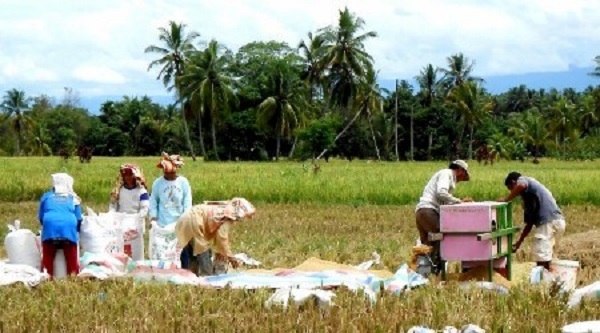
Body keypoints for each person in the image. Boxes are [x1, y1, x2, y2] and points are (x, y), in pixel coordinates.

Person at [497, 172, 566, 270]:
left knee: (541, 256)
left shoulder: (522, 179)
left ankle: (542, 282)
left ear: (513, 182)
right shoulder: (530, 197)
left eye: (511, 189)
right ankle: (549, 280)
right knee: (548, 256)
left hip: (548, 223)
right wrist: (519, 242)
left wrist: (506, 199)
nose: (513, 192)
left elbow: (521, 185)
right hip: (558, 221)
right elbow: (529, 224)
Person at [414, 160, 472, 273]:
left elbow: (443, 200)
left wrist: (458, 202)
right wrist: (459, 201)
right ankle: (438, 271)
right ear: (460, 170)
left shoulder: (445, 175)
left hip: (422, 212)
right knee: (443, 237)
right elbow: (441, 193)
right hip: (429, 211)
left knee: (427, 245)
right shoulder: (447, 174)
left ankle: (424, 274)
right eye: (464, 175)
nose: (461, 180)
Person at [175, 198, 256, 276]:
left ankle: (190, 276)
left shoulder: (219, 210)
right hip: (194, 222)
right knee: (204, 253)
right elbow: (222, 239)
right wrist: (231, 258)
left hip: (183, 221)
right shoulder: (226, 217)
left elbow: (215, 233)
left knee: (193, 253)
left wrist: (223, 253)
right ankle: (207, 278)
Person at [148, 152, 193, 267]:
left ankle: (184, 269)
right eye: (167, 173)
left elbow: (187, 202)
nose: (169, 175)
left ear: (176, 170)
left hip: (179, 221)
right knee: (164, 250)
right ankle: (165, 269)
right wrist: (153, 218)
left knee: (182, 248)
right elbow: (153, 201)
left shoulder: (183, 182)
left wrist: (185, 219)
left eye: (172, 173)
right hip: (163, 223)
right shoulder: (158, 183)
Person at [38, 173, 83, 277]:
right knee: (71, 258)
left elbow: (41, 217)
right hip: (68, 229)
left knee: (47, 258)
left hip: (50, 229)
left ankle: (46, 278)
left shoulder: (46, 196)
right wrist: (75, 233)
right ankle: (73, 278)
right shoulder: (73, 197)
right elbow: (79, 218)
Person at [109, 163, 149, 258]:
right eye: (125, 175)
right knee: (122, 247)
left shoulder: (142, 191)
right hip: (121, 223)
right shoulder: (118, 190)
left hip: (136, 224)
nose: (128, 178)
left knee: (136, 248)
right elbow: (113, 205)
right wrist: (113, 217)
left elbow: (145, 208)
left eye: (130, 175)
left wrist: (136, 218)